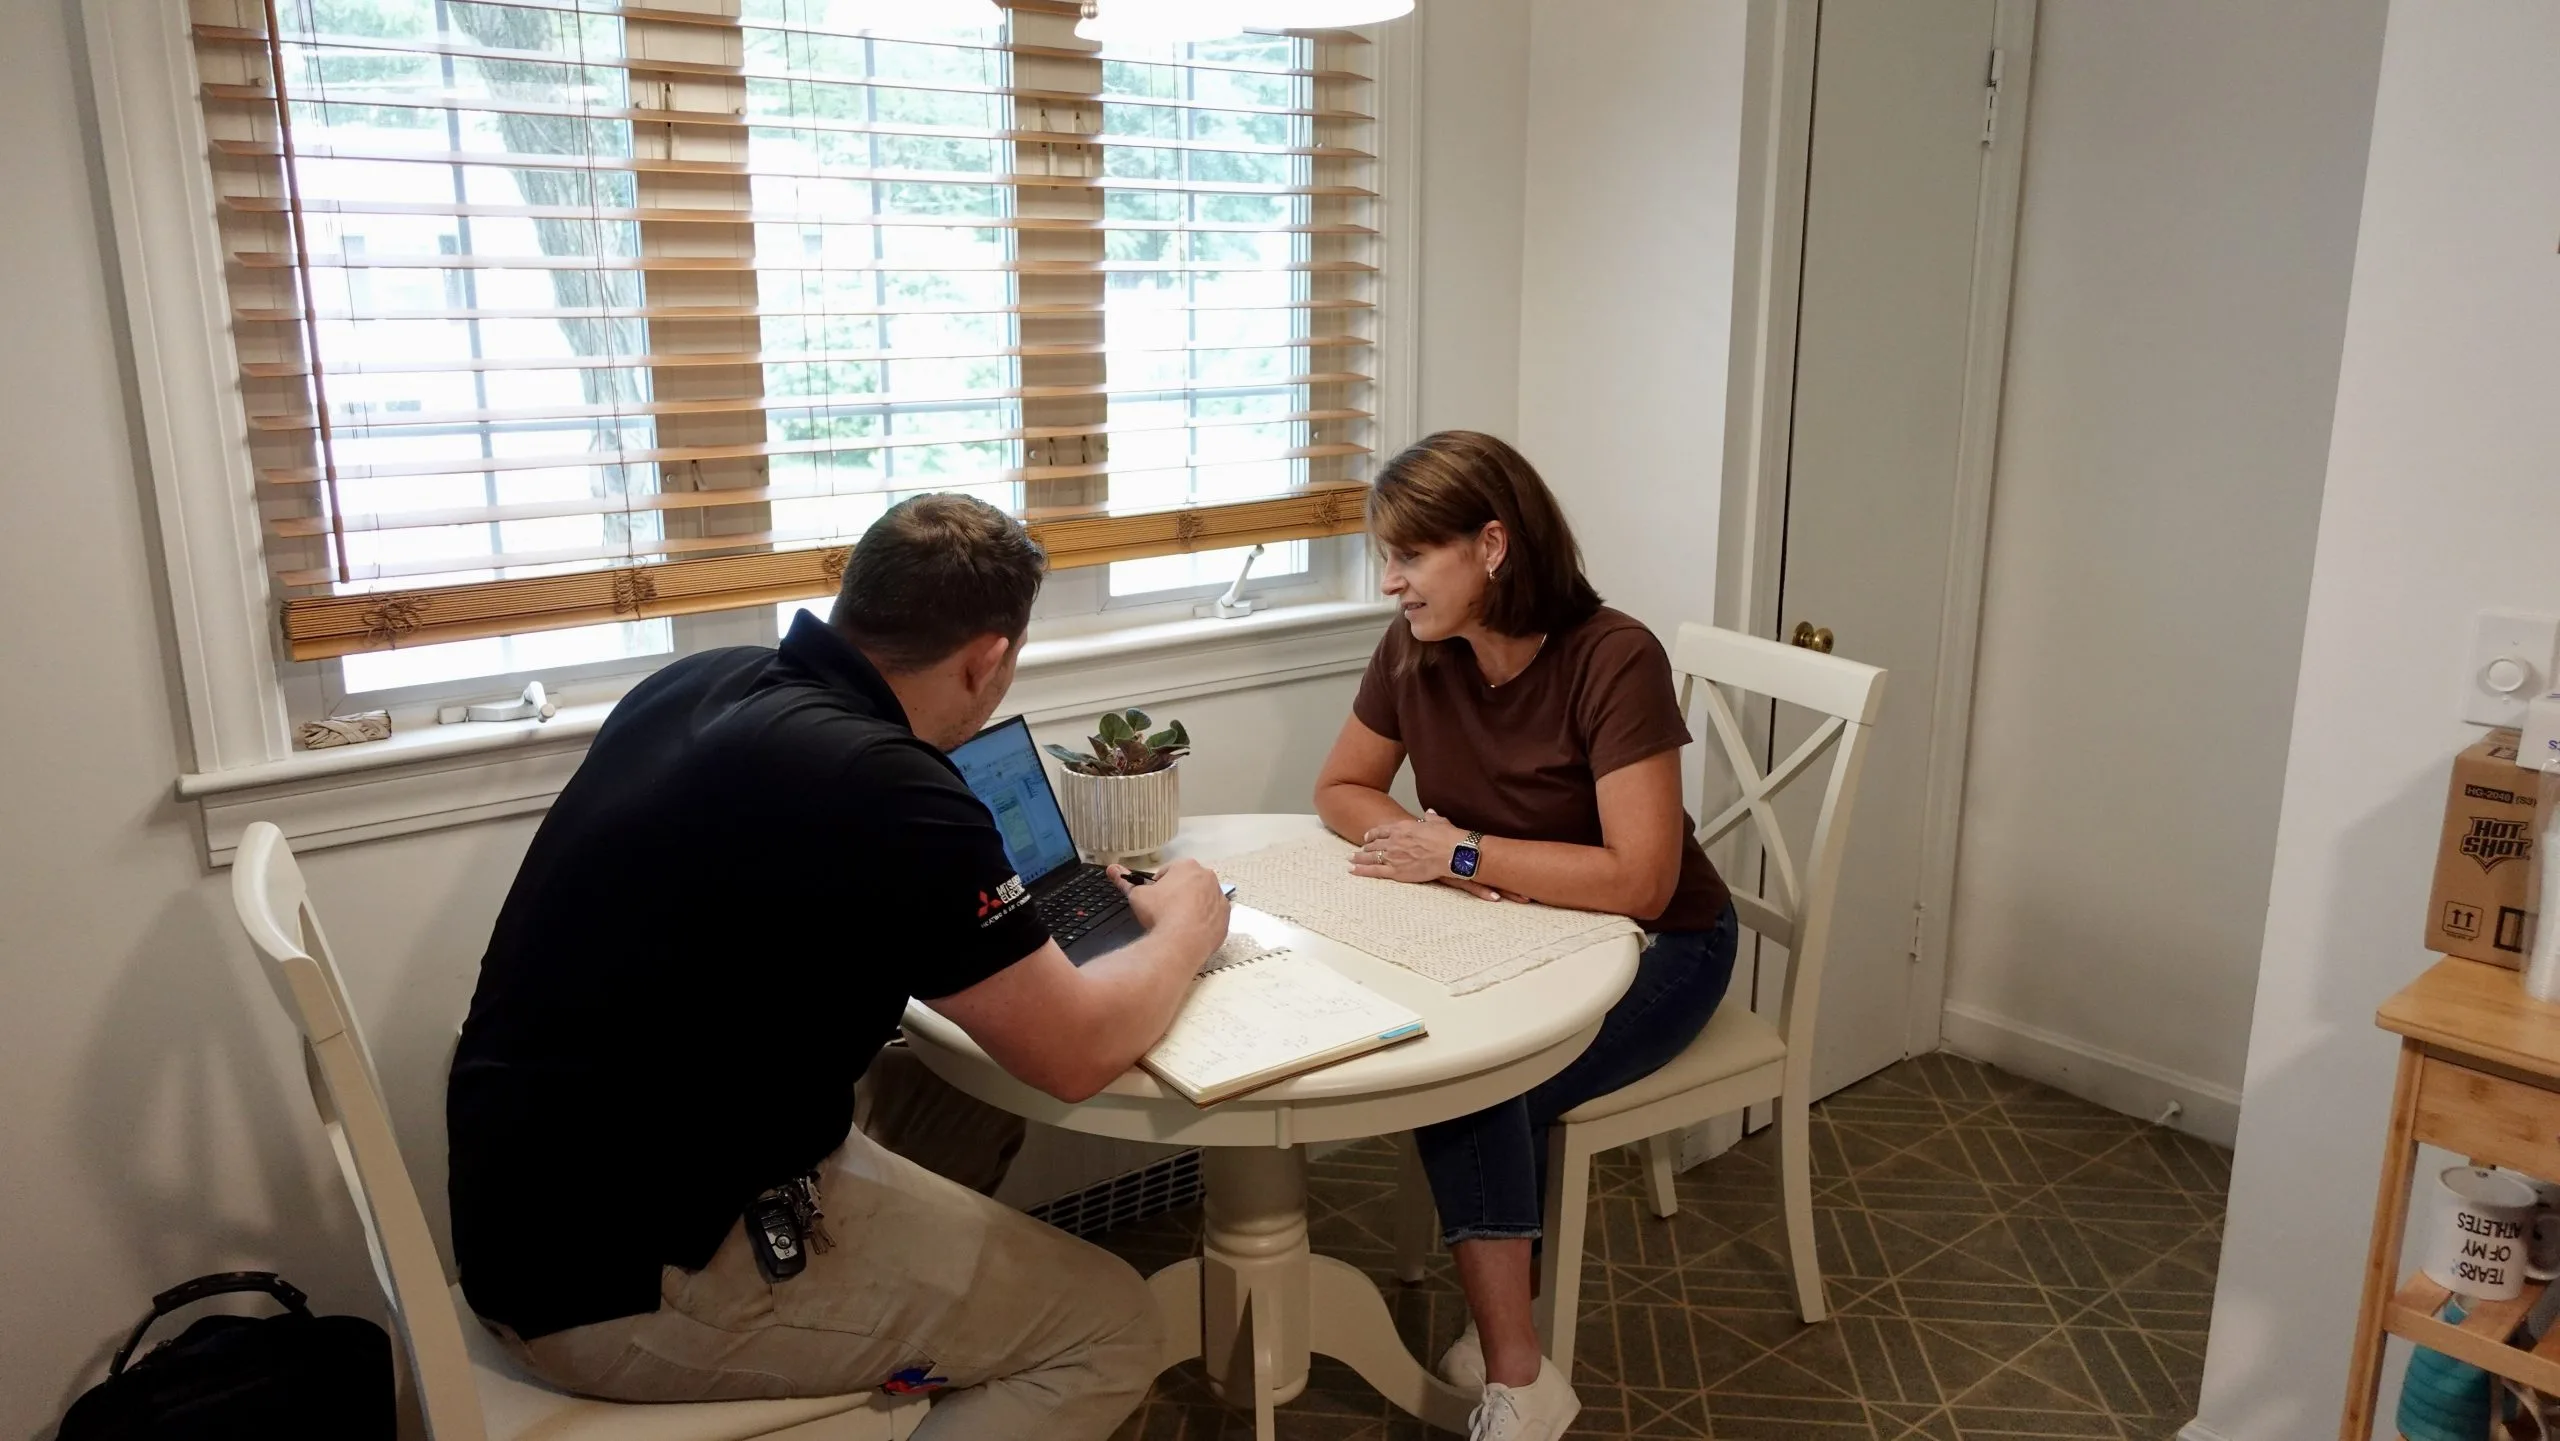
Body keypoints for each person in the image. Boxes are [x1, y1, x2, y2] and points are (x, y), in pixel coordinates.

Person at [447, 494, 1230, 1441]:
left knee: (970, 1097)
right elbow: (1076, 1053)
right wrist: (1186, 924)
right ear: (988, 658)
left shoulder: (700, 682)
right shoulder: (890, 786)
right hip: (623, 1282)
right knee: (1109, 1329)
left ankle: (904, 1348)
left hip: (534, 1196)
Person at [1312, 431, 1739, 1441]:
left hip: (1665, 945)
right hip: (1519, 937)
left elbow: (1641, 877)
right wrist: (1426, 846)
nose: (1390, 583)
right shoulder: (1416, 650)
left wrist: (1461, 856)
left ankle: (1518, 1375)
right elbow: (1338, 787)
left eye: (1410, 557)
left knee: (1479, 1084)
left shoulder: (1613, 656)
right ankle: (1517, 1335)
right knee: (1463, 1067)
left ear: (1492, 545)